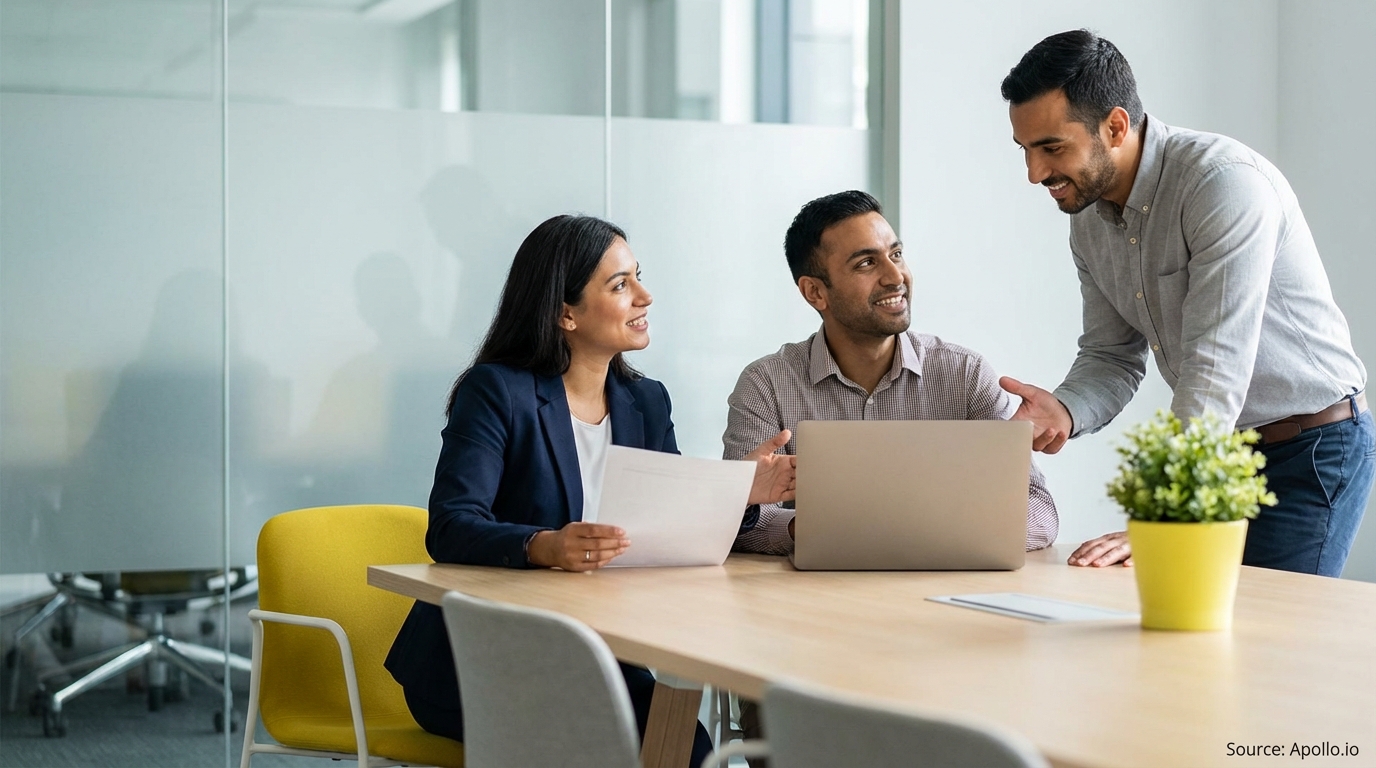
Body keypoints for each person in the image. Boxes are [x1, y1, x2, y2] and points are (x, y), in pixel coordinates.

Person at [384, 214, 796, 767]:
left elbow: (669, 523)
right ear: (565, 312)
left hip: (598, 646)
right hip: (480, 658)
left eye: (638, 277)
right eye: (620, 284)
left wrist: (740, 491)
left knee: (683, 748)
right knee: (630, 747)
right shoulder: (498, 392)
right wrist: (544, 545)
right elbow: (452, 525)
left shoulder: (646, 401)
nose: (645, 296)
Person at [1000, 30, 1372, 576]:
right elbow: (1111, 355)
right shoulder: (1088, 222)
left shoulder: (1223, 184)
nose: (1035, 174)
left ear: (1116, 126)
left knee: (1270, 641)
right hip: (1222, 451)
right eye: (1026, 150)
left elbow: (1214, 368)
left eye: (1051, 147)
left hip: (1310, 451)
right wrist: (1066, 409)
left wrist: (1162, 513)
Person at [725, 190, 1059, 556]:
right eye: (866, 263)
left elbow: (1040, 507)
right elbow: (736, 520)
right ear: (815, 292)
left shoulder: (965, 375)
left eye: (896, 254)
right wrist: (802, 529)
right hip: (819, 598)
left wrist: (936, 534)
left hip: (947, 588)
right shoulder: (766, 385)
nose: (894, 275)